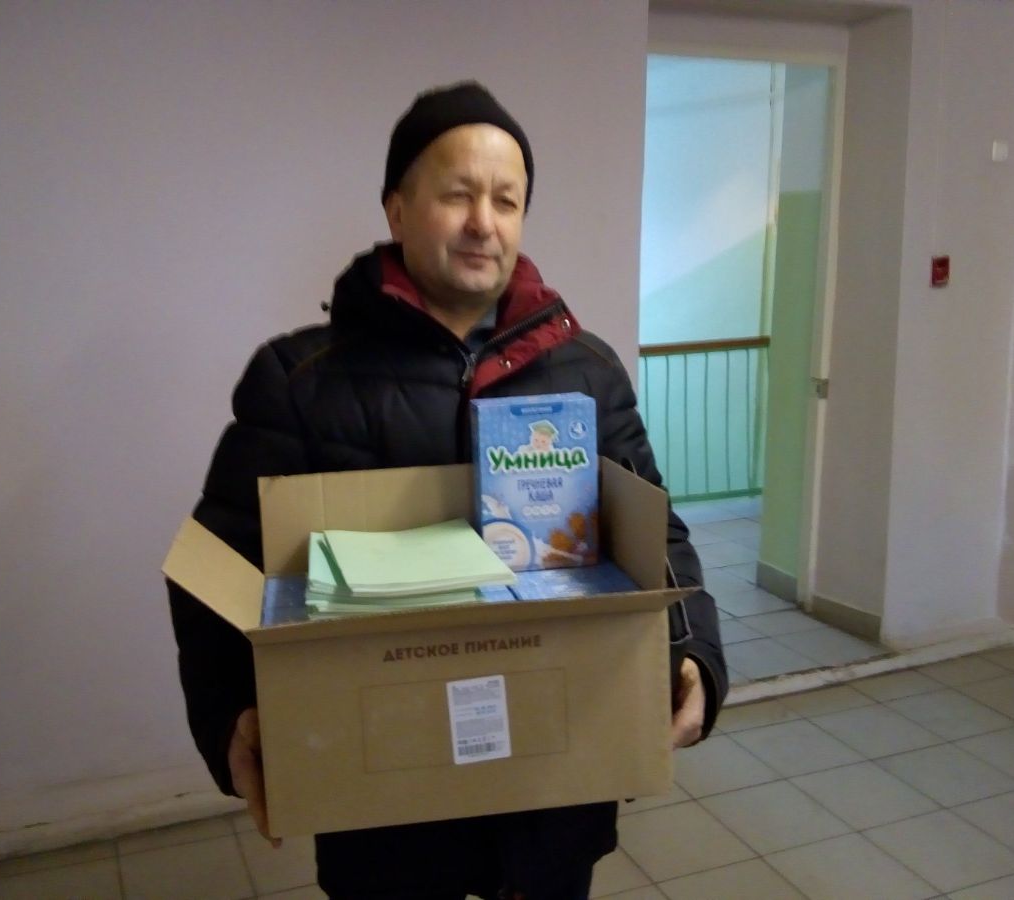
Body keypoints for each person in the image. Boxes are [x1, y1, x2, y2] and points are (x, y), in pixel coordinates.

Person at [168, 81, 727, 900]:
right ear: (397, 210)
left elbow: (656, 534)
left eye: (506, 200)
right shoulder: (301, 380)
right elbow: (217, 562)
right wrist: (230, 714)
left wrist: (695, 652)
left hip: (551, 791)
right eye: (458, 195)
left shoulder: (587, 373)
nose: (483, 223)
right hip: (384, 804)